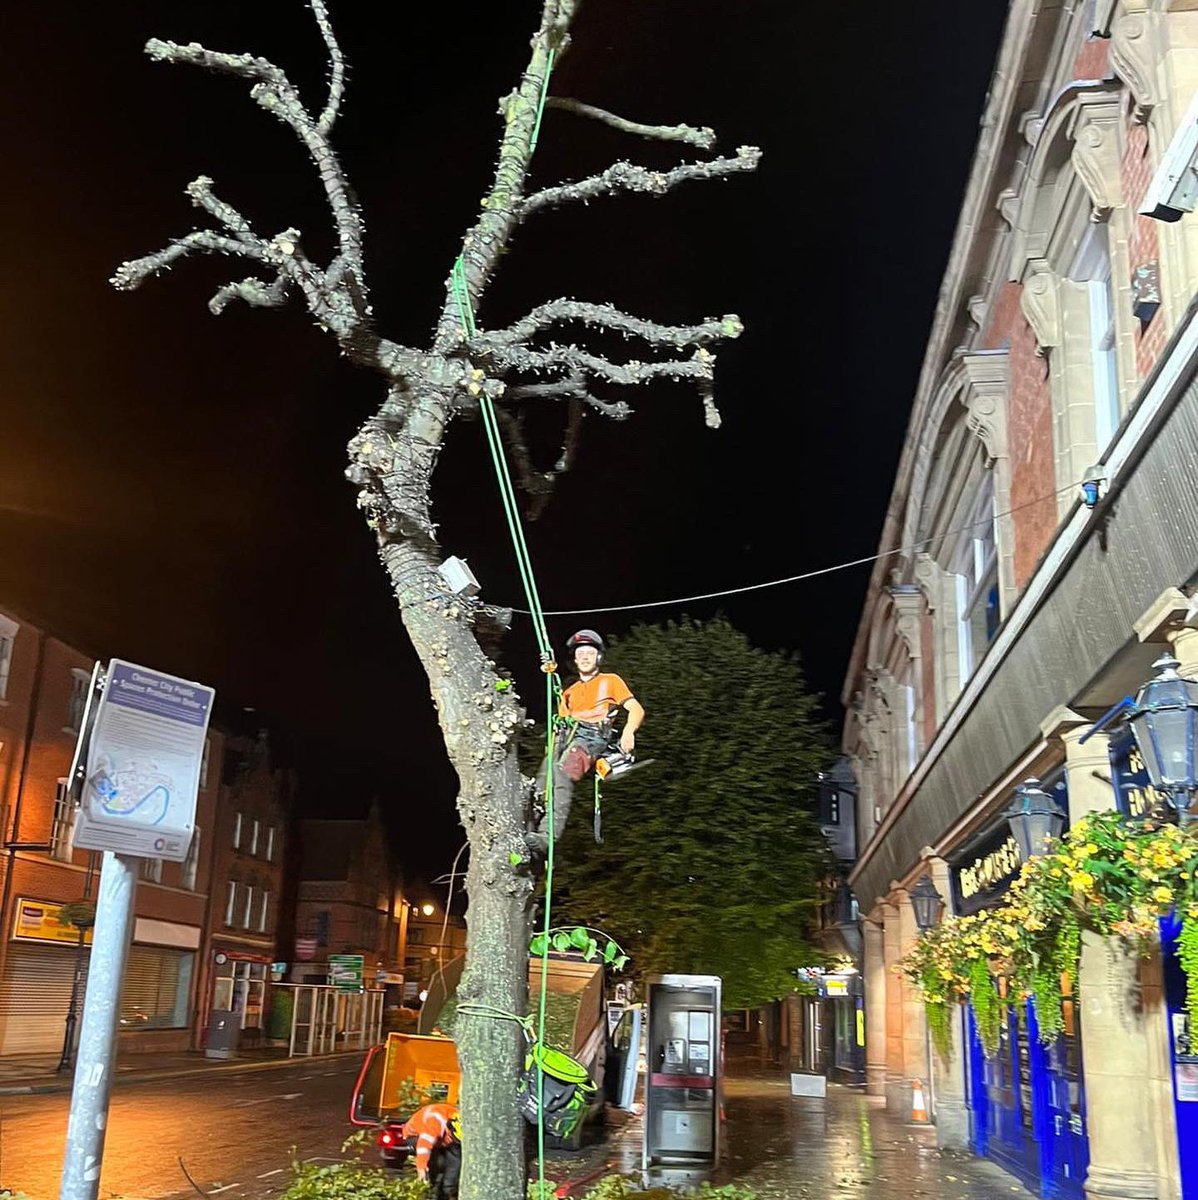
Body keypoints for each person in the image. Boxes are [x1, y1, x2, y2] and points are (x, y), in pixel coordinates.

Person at [527, 629, 645, 856]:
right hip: (565, 737)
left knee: (562, 774)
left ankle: (547, 838)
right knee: (540, 786)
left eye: (590, 652)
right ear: (575, 659)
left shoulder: (610, 681)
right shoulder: (569, 692)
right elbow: (559, 721)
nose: (584, 657)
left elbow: (635, 709)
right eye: (580, 653)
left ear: (598, 657)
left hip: (591, 737)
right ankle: (529, 832)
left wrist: (629, 732)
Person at [400, 1102, 461, 1199]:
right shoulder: (433, 1124)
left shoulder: (458, 1117)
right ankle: (432, 1189)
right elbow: (423, 1148)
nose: (450, 1140)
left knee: (455, 1160)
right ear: (448, 1128)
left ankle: (447, 1190)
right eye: (450, 1137)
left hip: (439, 1137)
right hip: (414, 1136)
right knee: (438, 1162)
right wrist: (422, 1168)